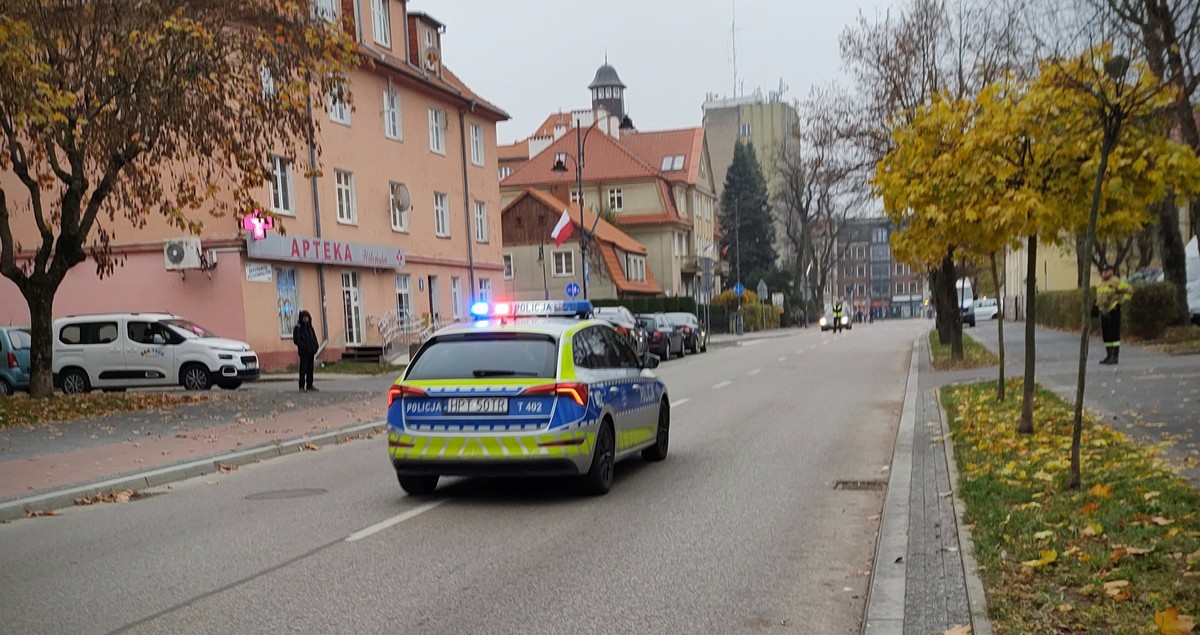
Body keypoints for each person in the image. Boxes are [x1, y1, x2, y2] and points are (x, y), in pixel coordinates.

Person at [1095, 264, 1132, 365]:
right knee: (1106, 336)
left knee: (1114, 335)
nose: (1104, 273)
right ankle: (1109, 355)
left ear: (1111, 271)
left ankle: (1115, 356)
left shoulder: (1116, 281)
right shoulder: (1101, 283)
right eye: (1103, 271)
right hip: (1104, 311)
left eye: (1106, 271)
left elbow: (1129, 291)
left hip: (1113, 310)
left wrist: (1120, 302)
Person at [293, 310, 319, 391]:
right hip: (304, 352)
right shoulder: (298, 327)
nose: (306, 319)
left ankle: (309, 385)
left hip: (311, 351)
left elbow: (314, 338)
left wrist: (315, 346)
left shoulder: (310, 327)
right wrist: (303, 346)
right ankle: (301, 386)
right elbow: (296, 340)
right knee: (303, 369)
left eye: (307, 317)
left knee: (310, 369)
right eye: (304, 318)